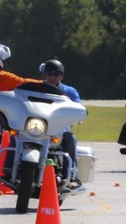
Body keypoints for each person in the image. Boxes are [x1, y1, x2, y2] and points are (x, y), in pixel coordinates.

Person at [40, 58, 84, 188]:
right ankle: (9, 168)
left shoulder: (70, 91)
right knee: (17, 133)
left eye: (56, 74)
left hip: (60, 129)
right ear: (45, 75)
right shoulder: (37, 88)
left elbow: (78, 107)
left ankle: (69, 176)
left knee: (70, 138)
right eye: (49, 74)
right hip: (39, 127)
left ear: (61, 76)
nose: (52, 77)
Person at [0, 43, 40, 109]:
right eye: (4, 60)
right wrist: (44, 82)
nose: (5, 63)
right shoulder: (4, 76)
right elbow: (24, 82)